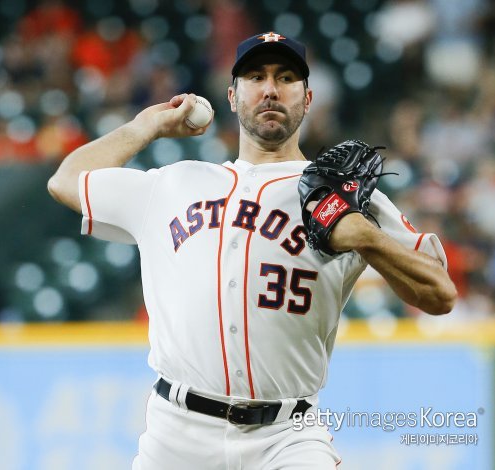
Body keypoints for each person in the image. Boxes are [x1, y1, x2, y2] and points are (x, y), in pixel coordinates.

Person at [47, 32, 457, 469]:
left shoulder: (344, 196)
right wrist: (144, 127)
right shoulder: (173, 183)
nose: (270, 89)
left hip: (288, 437)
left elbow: (440, 295)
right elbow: (65, 181)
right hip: (176, 434)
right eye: (256, 77)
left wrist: (367, 238)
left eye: (286, 78)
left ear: (308, 98)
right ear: (232, 95)